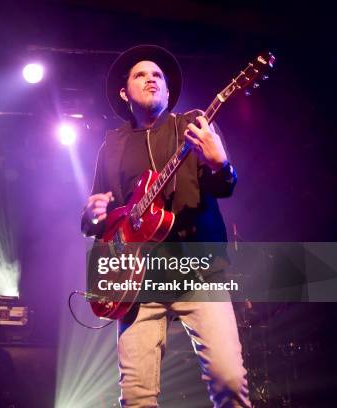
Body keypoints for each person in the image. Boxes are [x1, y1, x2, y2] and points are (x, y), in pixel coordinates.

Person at [81, 45, 250, 407]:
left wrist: (221, 163)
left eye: (157, 75)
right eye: (141, 74)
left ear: (168, 91)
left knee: (230, 381)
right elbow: (99, 219)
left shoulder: (193, 126)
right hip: (137, 282)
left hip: (199, 272)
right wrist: (92, 216)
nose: (151, 79)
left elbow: (225, 187)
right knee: (136, 397)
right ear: (125, 92)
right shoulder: (112, 145)